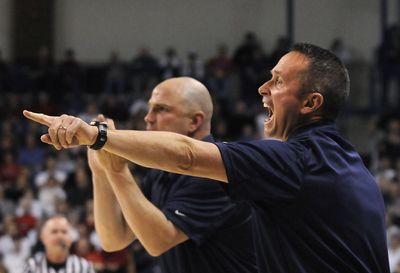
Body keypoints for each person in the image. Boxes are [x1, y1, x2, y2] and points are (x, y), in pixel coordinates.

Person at [24, 43, 390, 273]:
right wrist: (102, 166)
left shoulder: (289, 160)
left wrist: (101, 139)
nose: (262, 87)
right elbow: (114, 240)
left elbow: (184, 159)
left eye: (277, 81)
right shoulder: (336, 159)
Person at [23, 215, 95, 273]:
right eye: (54, 231)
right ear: (43, 238)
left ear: (70, 239)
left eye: (64, 232)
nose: (60, 236)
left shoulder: (84, 266)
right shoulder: (32, 266)